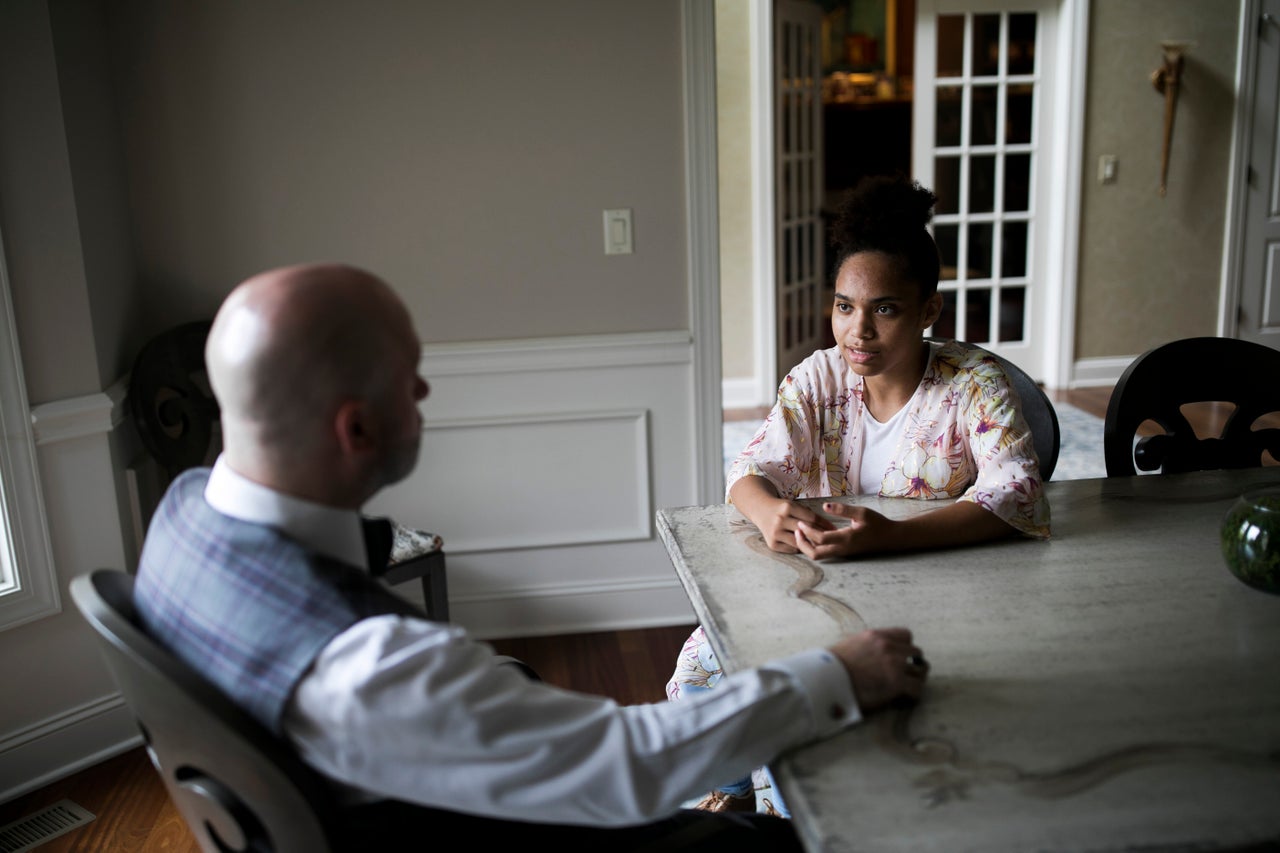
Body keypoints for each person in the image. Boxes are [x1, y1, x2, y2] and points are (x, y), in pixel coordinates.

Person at [132, 261, 930, 850]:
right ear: (356, 429)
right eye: (409, 379)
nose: (423, 394)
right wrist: (839, 673)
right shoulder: (373, 667)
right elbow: (631, 766)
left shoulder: (177, 519)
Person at [669, 173, 1050, 816]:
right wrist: (768, 513)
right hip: (821, 584)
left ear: (928, 310)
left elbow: (1018, 494)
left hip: (936, 593)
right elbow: (749, 468)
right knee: (708, 659)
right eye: (845, 306)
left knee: (816, 742)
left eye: (885, 308)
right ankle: (726, 794)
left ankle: (804, 817)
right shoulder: (817, 376)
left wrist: (894, 535)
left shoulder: (972, 384)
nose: (858, 332)